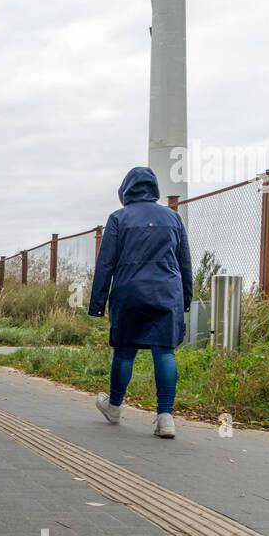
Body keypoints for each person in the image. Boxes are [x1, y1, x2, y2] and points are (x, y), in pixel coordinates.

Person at [87, 166, 192, 438]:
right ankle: (166, 417)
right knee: (165, 352)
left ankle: (114, 406)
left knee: (125, 350)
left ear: (126, 190)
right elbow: (184, 263)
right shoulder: (173, 218)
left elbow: (106, 263)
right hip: (167, 293)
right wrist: (185, 299)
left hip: (129, 292)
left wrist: (97, 303)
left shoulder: (118, 218)